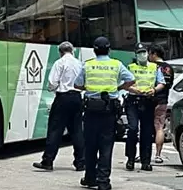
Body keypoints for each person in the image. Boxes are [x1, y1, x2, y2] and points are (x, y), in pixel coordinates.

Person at [74, 37, 136, 190]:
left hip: (91, 110)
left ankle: (90, 178)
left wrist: (89, 89)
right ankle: (103, 181)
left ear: (94, 51)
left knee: (90, 145)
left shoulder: (88, 65)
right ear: (109, 50)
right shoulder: (116, 64)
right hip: (109, 111)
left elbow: (77, 84)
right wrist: (118, 88)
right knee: (106, 146)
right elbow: (131, 80)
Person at [33, 41, 85, 171]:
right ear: (72, 51)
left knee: (55, 130)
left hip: (63, 98)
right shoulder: (79, 63)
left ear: (60, 52)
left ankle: (48, 161)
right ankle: (81, 162)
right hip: (77, 98)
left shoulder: (59, 63)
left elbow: (52, 82)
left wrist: (53, 88)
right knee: (77, 131)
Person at [125, 43, 165, 172]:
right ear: (136, 54)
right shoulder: (130, 67)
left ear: (147, 53)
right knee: (132, 129)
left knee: (147, 132)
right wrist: (134, 90)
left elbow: (161, 83)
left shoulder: (154, 67)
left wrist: (154, 90)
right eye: (139, 53)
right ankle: (130, 159)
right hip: (133, 101)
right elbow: (124, 84)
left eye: (144, 52)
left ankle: (146, 161)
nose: (142, 55)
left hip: (148, 101)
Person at [149, 44, 173, 165]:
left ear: (154, 54)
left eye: (149, 54)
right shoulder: (169, 68)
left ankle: (143, 154)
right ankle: (158, 155)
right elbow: (170, 84)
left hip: (149, 99)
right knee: (159, 127)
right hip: (163, 100)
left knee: (146, 127)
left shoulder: (150, 66)